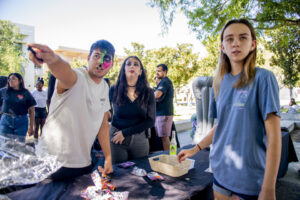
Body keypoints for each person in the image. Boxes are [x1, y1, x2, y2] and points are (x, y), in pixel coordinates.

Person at [178, 19, 281, 200]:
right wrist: (195, 149)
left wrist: (269, 188)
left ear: (253, 44)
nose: (236, 43)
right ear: (222, 47)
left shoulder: (264, 78)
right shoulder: (220, 82)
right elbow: (222, 125)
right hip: (221, 173)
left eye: (243, 38)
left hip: (250, 180)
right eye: (229, 39)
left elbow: (274, 137)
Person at [28, 39, 114, 180]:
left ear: (112, 64)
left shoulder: (105, 87)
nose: (100, 62)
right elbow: (65, 72)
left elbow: (103, 125)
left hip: (83, 164)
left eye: (106, 58)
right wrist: (53, 59)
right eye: (97, 56)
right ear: (88, 58)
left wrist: (108, 157)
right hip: (51, 162)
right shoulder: (78, 76)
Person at [109, 56, 155, 164]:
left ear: (140, 72)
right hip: (116, 137)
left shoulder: (148, 92)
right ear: (123, 69)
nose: (132, 66)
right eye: (128, 64)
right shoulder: (113, 89)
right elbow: (108, 114)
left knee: (141, 171)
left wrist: (125, 133)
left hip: (139, 139)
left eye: (136, 64)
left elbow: (151, 120)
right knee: (119, 174)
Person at [0, 73, 36, 142]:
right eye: (9, 79)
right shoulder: (3, 91)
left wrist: (31, 127)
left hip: (21, 121)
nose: (10, 80)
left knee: (19, 146)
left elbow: (32, 110)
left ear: (20, 81)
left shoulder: (25, 93)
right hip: (6, 121)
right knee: (5, 145)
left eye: (13, 78)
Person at [154, 64, 174, 150]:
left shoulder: (165, 81)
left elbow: (157, 95)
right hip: (162, 113)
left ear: (165, 71)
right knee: (164, 138)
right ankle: (168, 156)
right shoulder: (163, 82)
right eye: (156, 71)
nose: (157, 73)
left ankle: (168, 158)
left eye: (159, 71)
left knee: (165, 138)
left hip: (164, 114)